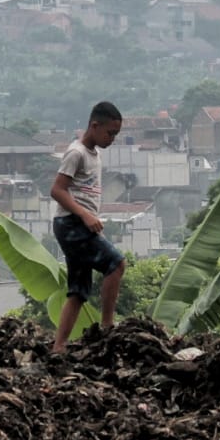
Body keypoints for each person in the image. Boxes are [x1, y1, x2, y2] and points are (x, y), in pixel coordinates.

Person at [50, 100, 127, 353]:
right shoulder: (76, 153)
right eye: (110, 133)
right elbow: (57, 190)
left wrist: (91, 222)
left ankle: (59, 346)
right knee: (116, 264)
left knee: (78, 292)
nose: (112, 138)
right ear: (94, 126)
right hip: (71, 223)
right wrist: (85, 216)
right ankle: (107, 326)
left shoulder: (94, 154)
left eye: (116, 134)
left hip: (79, 225)